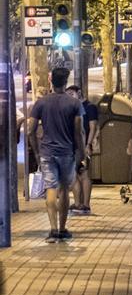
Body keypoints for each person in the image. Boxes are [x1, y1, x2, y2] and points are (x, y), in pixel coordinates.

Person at [29, 67, 85, 243]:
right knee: (64, 190)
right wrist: (81, 152)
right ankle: (62, 228)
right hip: (66, 152)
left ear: (50, 81)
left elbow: (30, 131)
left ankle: (52, 230)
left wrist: (37, 151)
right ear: (66, 82)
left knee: (50, 190)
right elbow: (78, 132)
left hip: (47, 152)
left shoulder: (41, 103)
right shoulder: (75, 104)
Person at [66, 86, 99, 215]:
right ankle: (83, 204)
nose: (69, 96)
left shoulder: (89, 107)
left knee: (78, 174)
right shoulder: (74, 107)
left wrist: (88, 144)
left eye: (71, 93)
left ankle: (81, 204)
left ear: (79, 93)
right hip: (77, 145)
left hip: (81, 146)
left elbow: (93, 126)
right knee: (82, 173)